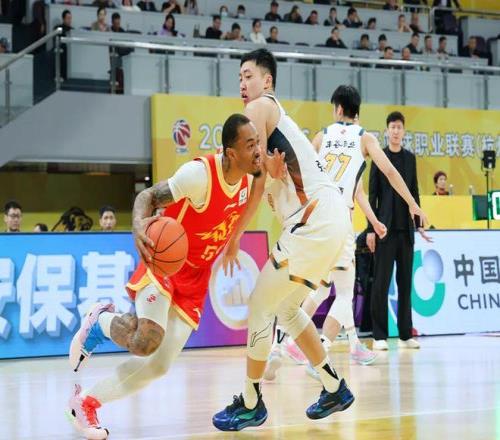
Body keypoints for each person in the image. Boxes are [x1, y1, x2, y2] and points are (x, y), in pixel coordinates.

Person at [67, 113, 262, 439]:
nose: (258, 151)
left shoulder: (248, 179)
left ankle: (85, 402)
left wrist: (235, 241)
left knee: (159, 365)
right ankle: (100, 321)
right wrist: (137, 226)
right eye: (251, 145)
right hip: (165, 266)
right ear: (231, 153)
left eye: (258, 143)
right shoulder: (199, 176)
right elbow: (148, 197)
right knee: (146, 342)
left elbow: (251, 199)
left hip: (196, 279)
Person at [212, 48, 355, 431]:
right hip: (329, 221)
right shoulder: (271, 134)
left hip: (316, 219)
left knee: (260, 303)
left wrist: (234, 237)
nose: (243, 84)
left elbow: (254, 175)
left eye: (248, 75)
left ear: (267, 81)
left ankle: (250, 401)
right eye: (239, 78)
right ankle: (333, 386)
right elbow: (259, 178)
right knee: (287, 310)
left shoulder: (259, 107)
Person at [264, 85, 428, 378]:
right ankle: (318, 355)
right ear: (356, 111)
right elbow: (390, 172)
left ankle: (281, 345)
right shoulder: (365, 138)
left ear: (338, 109)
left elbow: (297, 170)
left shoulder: (321, 136)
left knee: (312, 288)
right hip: (339, 222)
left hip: (312, 218)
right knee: (343, 294)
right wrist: (413, 205)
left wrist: (276, 195)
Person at [367, 111, 433, 351]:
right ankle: (379, 336)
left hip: (406, 230)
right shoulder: (379, 157)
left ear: (404, 131)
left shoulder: (410, 159)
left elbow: (414, 192)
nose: (395, 131)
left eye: (399, 127)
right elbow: (372, 195)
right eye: (392, 127)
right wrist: (371, 229)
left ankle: (405, 334)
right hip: (384, 229)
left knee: (405, 283)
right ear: (387, 131)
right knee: (381, 284)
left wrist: (419, 224)